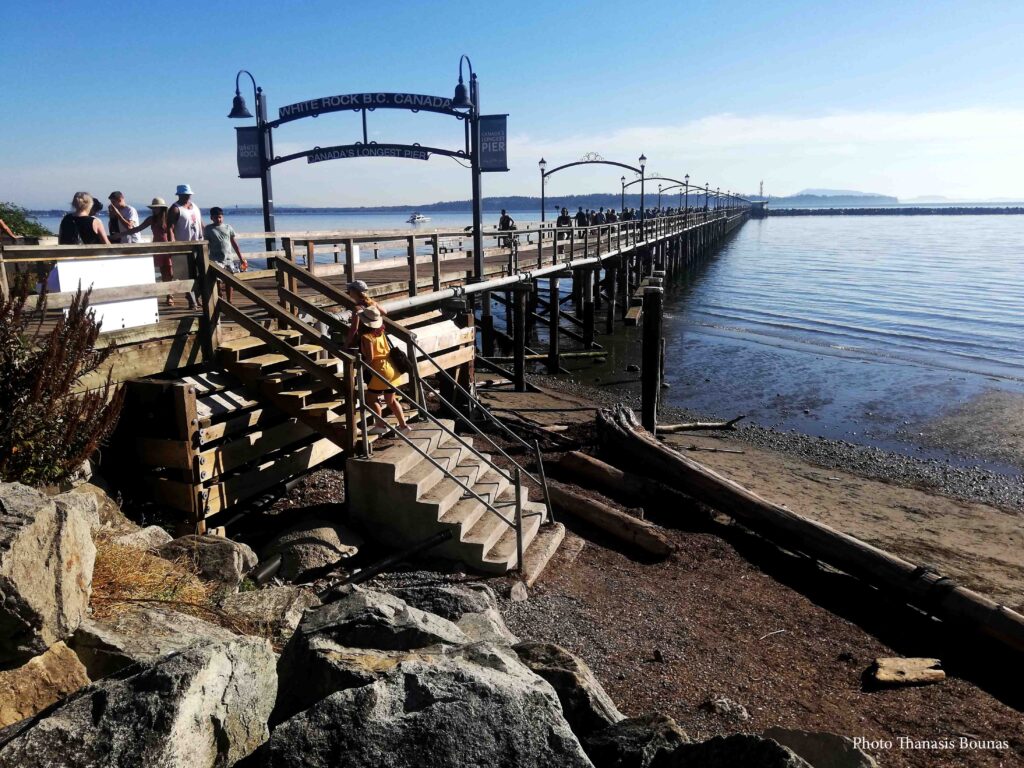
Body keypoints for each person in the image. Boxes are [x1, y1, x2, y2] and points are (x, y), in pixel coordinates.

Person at [358, 305, 410, 437]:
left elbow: (370, 358)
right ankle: (403, 425)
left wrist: (360, 368)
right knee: (390, 400)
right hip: (392, 367)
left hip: (381, 370)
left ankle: (380, 425)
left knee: (371, 398)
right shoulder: (381, 332)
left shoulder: (367, 337)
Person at [120, 197, 175, 304]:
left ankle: (170, 295)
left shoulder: (168, 219)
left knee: (169, 272)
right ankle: (166, 295)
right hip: (157, 247)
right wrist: (121, 234)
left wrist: (173, 246)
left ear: (162, 208)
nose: (154, 210)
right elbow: (137, 228)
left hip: (167, 247)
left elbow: (172, 234)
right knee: (162, 272)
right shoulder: (151, 219)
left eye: (156, 208)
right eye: (153, 208)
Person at [167, 184, 202, 307]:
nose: (187, 197)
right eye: (185, 195)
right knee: (185, 275)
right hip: (183, 246)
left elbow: (200, 223)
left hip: (198, 245)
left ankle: (196, 297)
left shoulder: (195, 207)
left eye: (189, 194)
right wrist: (173, 245)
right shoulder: (175, 209)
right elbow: (170, 228)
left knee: (199, 273)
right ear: (179, 195)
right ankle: (192, 301)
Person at [203, 207, 247, 303]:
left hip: (228, 259)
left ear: (222, 217)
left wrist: (241, 257)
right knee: (218, 280)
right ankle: (220, 297)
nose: (218, 219)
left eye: (220, 217)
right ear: (211, 218)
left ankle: (229, 300)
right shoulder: (208, 229)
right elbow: (206, 245)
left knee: (229, 280)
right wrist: (205, 259)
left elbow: (234, 243)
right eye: (216, 217)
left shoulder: (228, 227)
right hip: (215, 259)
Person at [344, 279, 384, 347]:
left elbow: (354, 329)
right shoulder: (372, 303)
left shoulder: (357, 308)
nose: (348, 291)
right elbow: (384, 312)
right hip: (377, 338)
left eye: (350, 290)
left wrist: (346, 344)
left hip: (366, 341)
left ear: (354, 292)